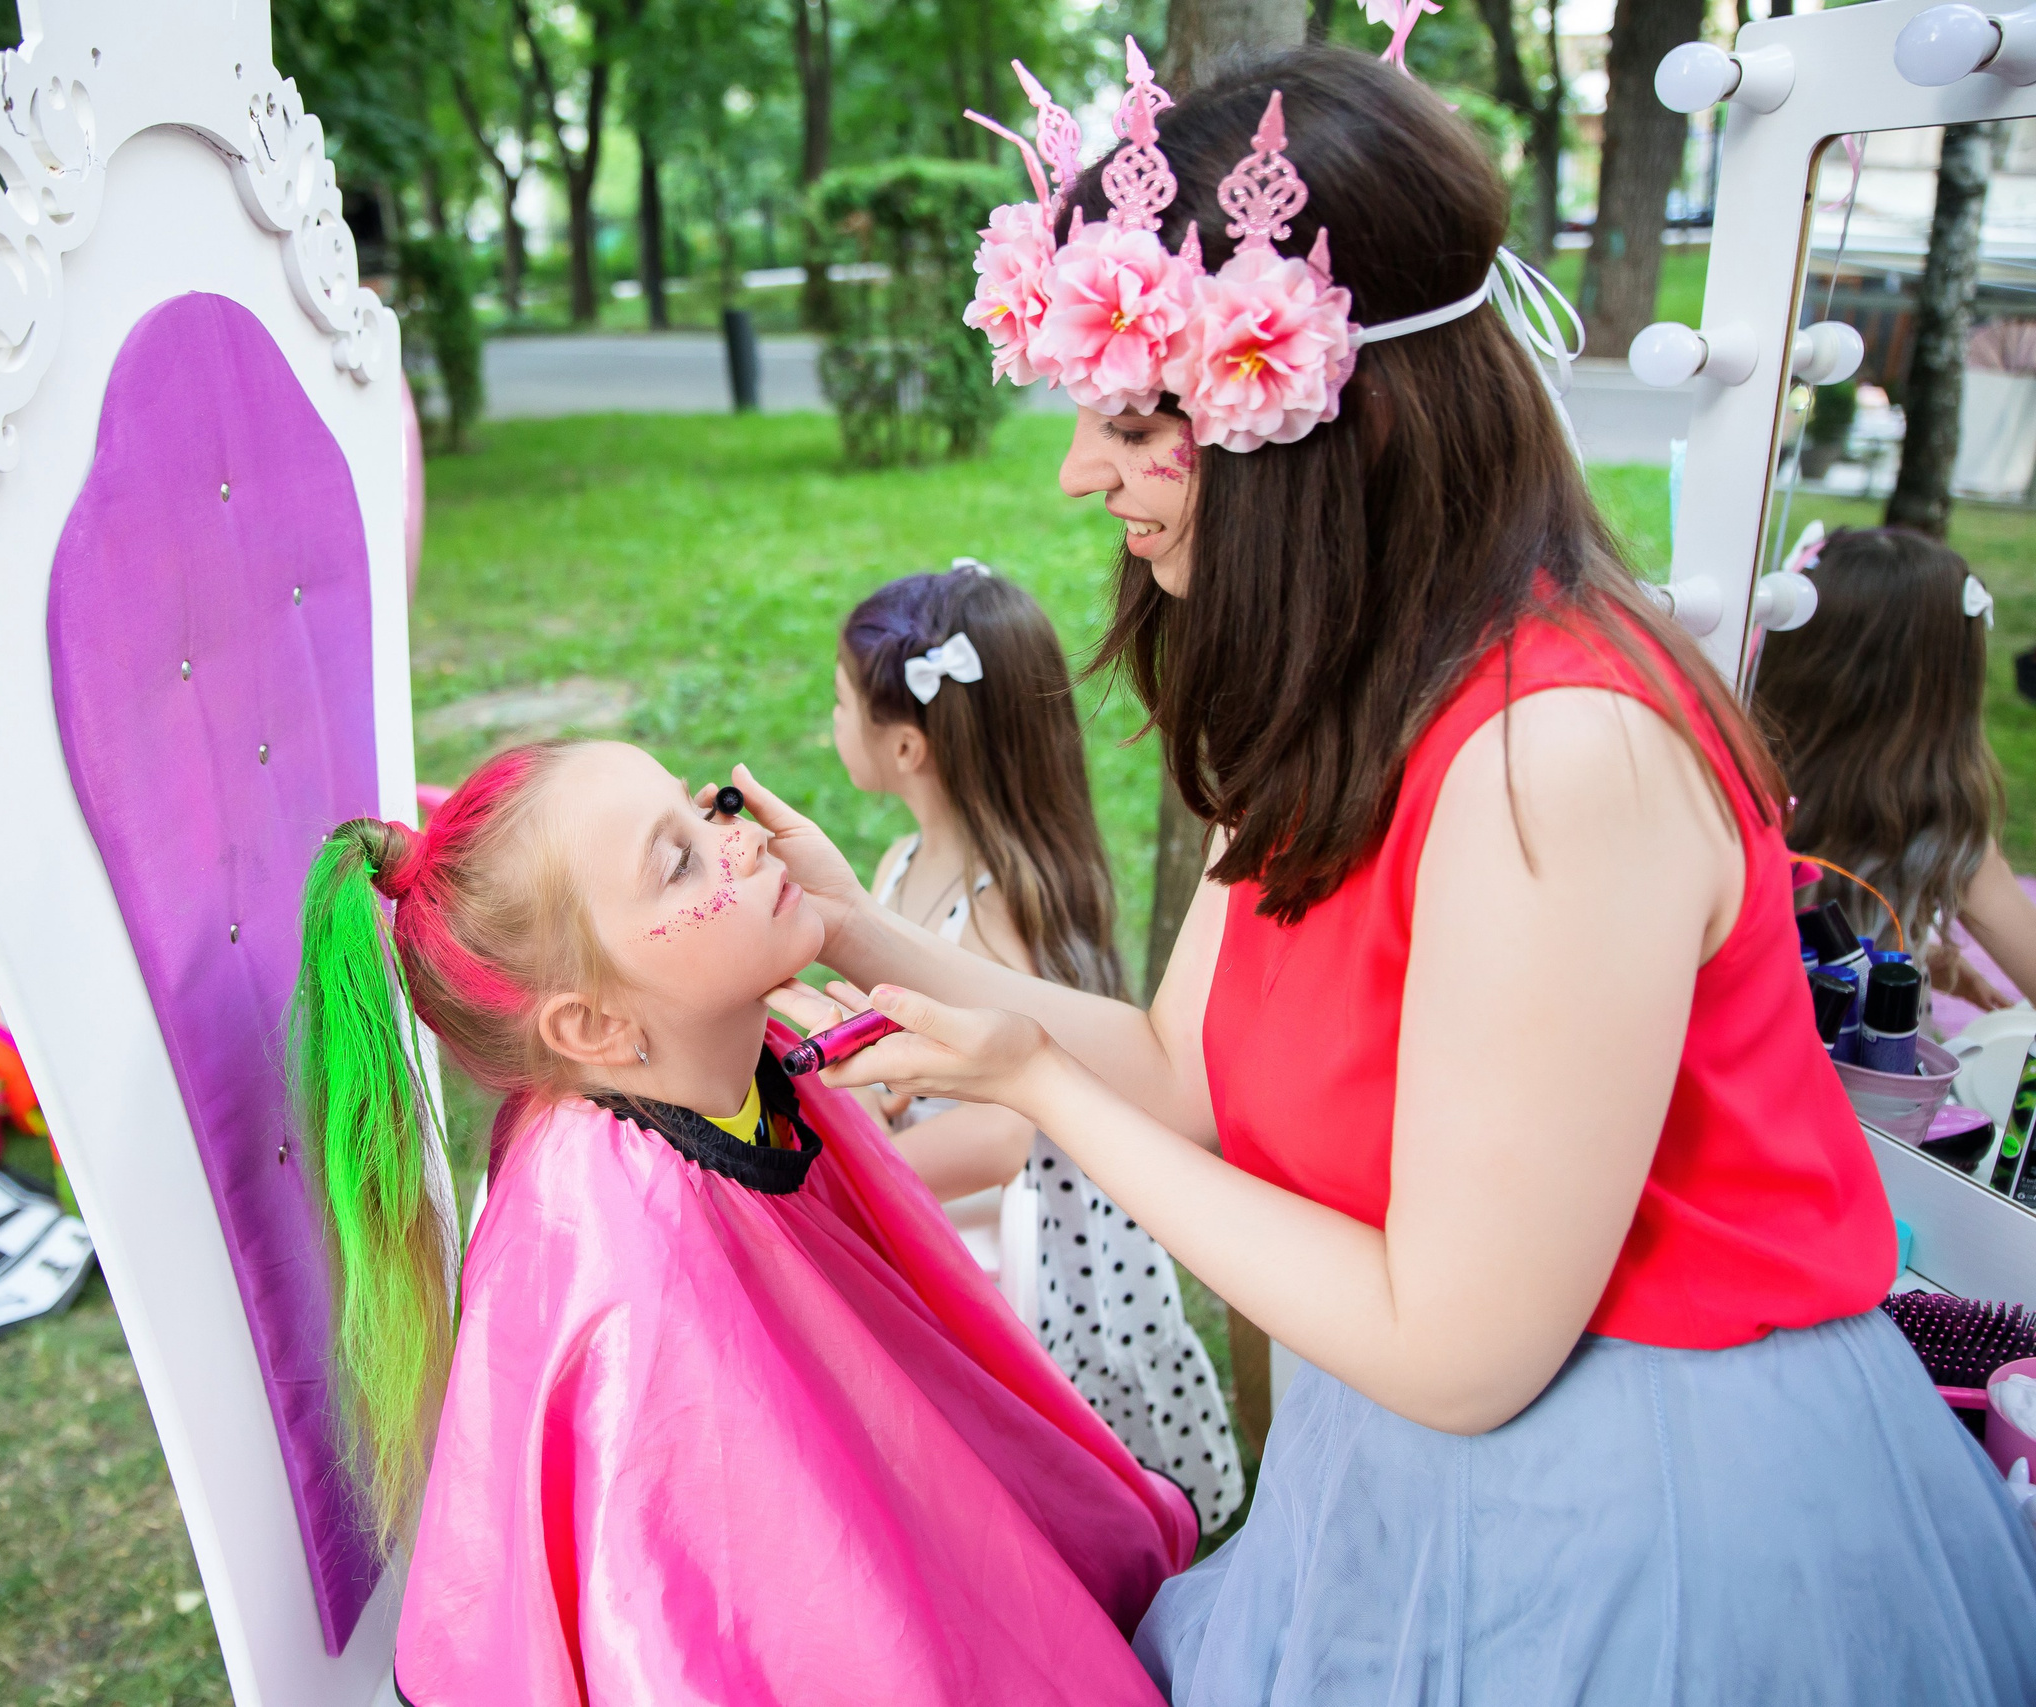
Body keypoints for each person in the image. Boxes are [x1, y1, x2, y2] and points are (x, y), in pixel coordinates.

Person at [739, 44, 2036, 1703]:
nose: (1081, 472)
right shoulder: (1339, 691)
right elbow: (1186, 1072)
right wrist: (859, 929)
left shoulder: (1553, 755)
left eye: (1136, 420)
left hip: (1652, 1512)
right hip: (1407, 1468)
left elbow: (1461, 1345)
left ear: (1319, 424)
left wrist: (1044, 1104)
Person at [286, 738, 1195, 1706]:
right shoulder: (630, 1287)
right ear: (592, 1027)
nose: (740, 841)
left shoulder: (730, 1064)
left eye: (704, 807)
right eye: (679, 860)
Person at [835, 562, 1242, 1529]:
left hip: (1020, 1232)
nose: (832, 722)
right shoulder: (900, 862)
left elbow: (1011, 1131)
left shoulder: (1000, 911)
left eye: (841, 702)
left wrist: (868, 1168)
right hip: (951, 1196)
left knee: (1032, 1447)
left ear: (905, 745)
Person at [1753, 525, 2036, 1010]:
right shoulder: (1943, 832)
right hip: (1863, 1080)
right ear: (1947, 689)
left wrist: (1935, 963)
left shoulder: (1736, 787)